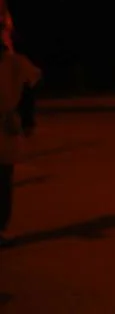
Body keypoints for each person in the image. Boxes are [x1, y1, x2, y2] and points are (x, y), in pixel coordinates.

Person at [0, 37, 40, 247]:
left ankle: (1, 227)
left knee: (4, 177)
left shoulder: (15, 63)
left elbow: (28, 90)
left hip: (5, 125)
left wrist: (27, 119)